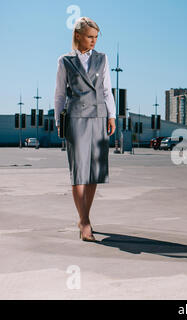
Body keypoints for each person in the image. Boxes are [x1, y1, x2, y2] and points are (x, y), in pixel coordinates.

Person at [54, 17, 116, 242]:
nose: (93, 41)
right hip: (76, 118)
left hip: (99, 117)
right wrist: (59, 121)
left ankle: (84, 217)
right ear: (78, 36)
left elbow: (108, 90)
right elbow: (60, 94)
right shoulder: (65, 61)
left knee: (95, 173)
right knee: (79, 172)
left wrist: (112, 115)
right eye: (90, 36)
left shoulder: (103, 58)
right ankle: (85, 221)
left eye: (96, 37)